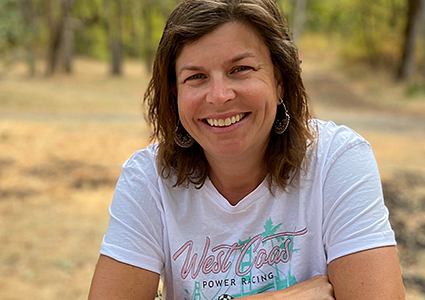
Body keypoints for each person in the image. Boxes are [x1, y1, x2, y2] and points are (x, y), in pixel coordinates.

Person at [89, 0, 405, 299]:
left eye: (240, 69)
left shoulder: (336, 160)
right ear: (174, 94)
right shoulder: (149, 180)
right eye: (196, 77)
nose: (219, 96)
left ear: (280, 79)